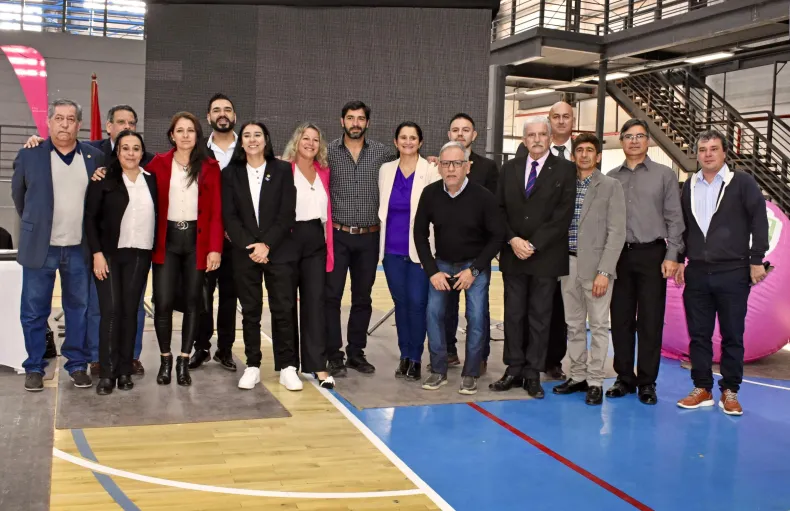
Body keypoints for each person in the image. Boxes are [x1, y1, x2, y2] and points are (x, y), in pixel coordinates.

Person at [24, 103, 153, 376]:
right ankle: (93, 357)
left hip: (126, 249)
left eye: (131, 123)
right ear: (109, 126)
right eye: (121, 122)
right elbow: (21, 194)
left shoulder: (141, 161)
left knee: (126, 307)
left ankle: (127, 357)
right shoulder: (94, 153)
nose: (126, 128)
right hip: (91, 248)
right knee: (92, 306)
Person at [12, 99, 103, 391]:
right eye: (59, 118)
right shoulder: (30, 154)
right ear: (49, 122)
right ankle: (34, 366)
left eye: (71, 119)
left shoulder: (94, 157)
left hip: (79, 248)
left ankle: (76, 364)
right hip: (41, 247)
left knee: (79, 309)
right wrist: (37, 225)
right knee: (34, 311)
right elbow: (19, 197)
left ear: (79, 124)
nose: (65, 124)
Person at [675, 130, 768, 416]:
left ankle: (730, 391)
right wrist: (678, 259)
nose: (708, 154)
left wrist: (757, 259)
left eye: (714, 149)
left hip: (733, 271)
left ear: (725, 152)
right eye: (703, 149)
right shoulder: (689, 185)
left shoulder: (742, 182)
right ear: (697, 154)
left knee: (732, 335)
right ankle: (702, 388)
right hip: (697, 272)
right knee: (699, 335)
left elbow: (759, 220)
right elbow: (682, 226)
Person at [490, 116, 575, 399]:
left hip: (545, 256)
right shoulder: (509, 168)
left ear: (549, 138)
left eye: (542, 134)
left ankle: (532, 373)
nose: (537, 139)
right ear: (524, 140)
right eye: (531, 135)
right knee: (514, 315)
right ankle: (513, 368)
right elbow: (498, 209)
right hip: (513, 253)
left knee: (540, 317)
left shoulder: (565, 169)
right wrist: (513, 239)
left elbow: (562, 215)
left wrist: (534, 244)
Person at [414, 141, 504, 394]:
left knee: (476, 317)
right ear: (439, 167)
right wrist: (432, 271)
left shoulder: (483, 197)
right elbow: (419, 234)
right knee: (433, 314)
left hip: (474, 265)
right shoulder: (430, 194)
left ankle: (471, 372)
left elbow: (497, 236)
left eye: (457, 163)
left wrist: (474, 271)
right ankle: (438, 369)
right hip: (442, 263)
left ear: (467, 167)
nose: (451, 168)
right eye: (446, 163)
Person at [605, 119, 684, 405]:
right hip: (619, 257)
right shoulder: (611, 177)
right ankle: (624, 377)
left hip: (653, 255)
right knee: (621, 319)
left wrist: (673, 255)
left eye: (640, 136)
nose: (634, 141)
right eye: (629, 136)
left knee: (650, 320)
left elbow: (675, 218)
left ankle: (647, 382)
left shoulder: (664, 175)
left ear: (648, 140)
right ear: (621, 141)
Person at [222, 121, 301, 391]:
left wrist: (267, 244)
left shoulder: (282, 170)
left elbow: (287, 212)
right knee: (250, 311)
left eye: (257, 135)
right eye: (247, 135)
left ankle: (287, 367)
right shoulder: (230, 173)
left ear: (266, 139)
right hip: (245, 253)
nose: (252, 139)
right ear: (241, 142)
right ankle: (253, 365)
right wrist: (252, 246)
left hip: (278, 250)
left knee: (283, 309)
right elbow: (230, 217)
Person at [147, 112, 223, 386]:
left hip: (196, 242)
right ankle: (165, 359)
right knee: (163, 301)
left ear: (197, 135)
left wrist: (215, 248)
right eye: (180, 130)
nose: (185, 135)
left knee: (193, 302)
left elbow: (216, 212)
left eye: (190, 130)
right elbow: (126, 170)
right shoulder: (157, 164)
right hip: (167, 241)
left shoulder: (210, 167)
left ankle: (183, 360)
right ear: (172, 135)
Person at [552, 134, 625, 405]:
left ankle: (595, 380)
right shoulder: (565, 185)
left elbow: (616, 232)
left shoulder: (611, 186)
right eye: (579, 150)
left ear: (598, 156)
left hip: (596, 269)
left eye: (590, 150)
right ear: (573, 156)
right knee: (573, 325)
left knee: (598, 326)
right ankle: (578, 375)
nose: (584, 155)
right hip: (567, 265)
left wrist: (605, 272)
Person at [325, 100, 397, 377]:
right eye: (350, 118)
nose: (355, 123)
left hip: (369, 237)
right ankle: (333, 355)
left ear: (368, 122)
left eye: (360, 119)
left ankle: (356, 352)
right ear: (341, 121)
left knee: (362, 298)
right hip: (337, 235)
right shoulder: (327, 151)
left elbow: (406, 166)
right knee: (331, 297)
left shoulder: (382, 153)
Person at [84, 130, 157, 395]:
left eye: (136, 148)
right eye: (125, 148)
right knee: (111, 311)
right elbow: (90, 219)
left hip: (140, 254)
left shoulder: (151, 180)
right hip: (109, 255)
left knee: (130, 312)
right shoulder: (103, 178)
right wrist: (97, 253)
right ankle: (107, 372)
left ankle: (125, 370)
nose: (130, 153)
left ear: (142, 152)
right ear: (117, 151)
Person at [435, 113, 498, 372]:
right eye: (455, 129)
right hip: (447, 252)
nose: (460, 133)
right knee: (447, 307)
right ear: (449, 134)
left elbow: (495, 209)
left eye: (466, 129)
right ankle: (449, 351)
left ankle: (480, 356)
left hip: (477, 254)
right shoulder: (440, 165)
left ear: (475, 134)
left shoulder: (488, 168)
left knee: (478, 310)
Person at [379, 122, 441, 381]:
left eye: (413, 137)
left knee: (417, 304)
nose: (408, 142)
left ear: (420, 142)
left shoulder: (432, 170)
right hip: (391, 250)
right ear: (396, 142)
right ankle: (404, 355)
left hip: (420, 251)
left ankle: (415, 358)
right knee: (401, 304)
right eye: (403, 137)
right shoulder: (385, 170)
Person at [281, 122, 336, 389]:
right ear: (297, 140)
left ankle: (317, 365)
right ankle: (289, 365)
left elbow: (327, 214)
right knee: (287, 304)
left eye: (315, 139)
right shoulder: (283, 168)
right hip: (289, 239)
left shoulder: (323, 172)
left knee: (315, 303)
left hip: (316, 240)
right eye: (306, 138)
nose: (310, 143)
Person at [191, 93, 239, 372]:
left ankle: (225, 349)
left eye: (227, 110)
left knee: (230, 296)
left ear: (234, 116)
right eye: (217, 110)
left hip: (236, 238)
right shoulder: (197, 150)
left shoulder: (247, 148)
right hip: (205, 235)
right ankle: (201, 347)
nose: (223, 114)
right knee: (203, 296)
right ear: (208, 117)